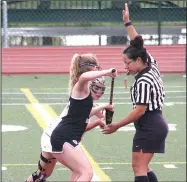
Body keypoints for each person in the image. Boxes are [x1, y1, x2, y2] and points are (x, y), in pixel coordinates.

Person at [102, 3, 169, 182]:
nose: (126, 67)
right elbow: (138, 42)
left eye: (128, 63)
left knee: (138, 168)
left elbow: (139, 111)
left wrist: (117, 125)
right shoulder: (151, 64)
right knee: (143, 167)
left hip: (150, 124)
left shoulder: (143, 81)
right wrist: (127, 23)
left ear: (138, 60)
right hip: (154, 124)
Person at [25, 53, 117, 182]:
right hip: (61, 136)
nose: (99, 70)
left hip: (61, 136)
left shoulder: (85, 96)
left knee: (58, 174)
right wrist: (107, 72)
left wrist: (101, 111)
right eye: (97, 67)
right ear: (90, 68)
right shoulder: (82, 86)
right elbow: (84, 77)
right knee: (86, 173)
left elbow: (82, 119)